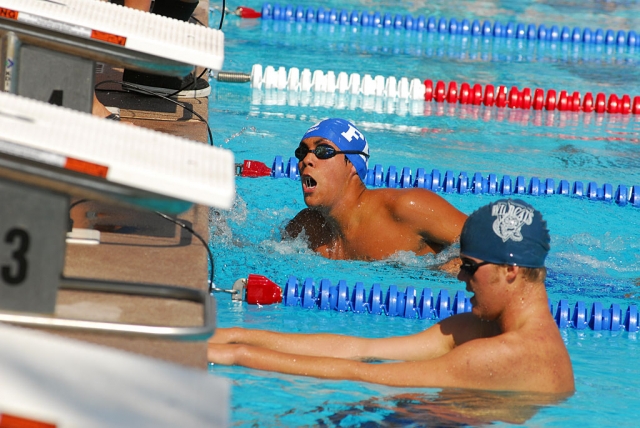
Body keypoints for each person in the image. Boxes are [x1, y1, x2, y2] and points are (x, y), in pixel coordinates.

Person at [209, 199, 575, 394]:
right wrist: (232, 336)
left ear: (509, 269)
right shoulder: (487, 329)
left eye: (469, 266)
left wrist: (235, 356)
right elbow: (363, 349)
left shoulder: (505, 355)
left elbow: (361, 374)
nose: (461, 277)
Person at [283, 118, 467, 261]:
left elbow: (491, 240)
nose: (306, 160)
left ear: (353, 164)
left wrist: (453, 267)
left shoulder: (405, 207)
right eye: (302, 152)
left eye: (323, 151)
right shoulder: (305, 229)